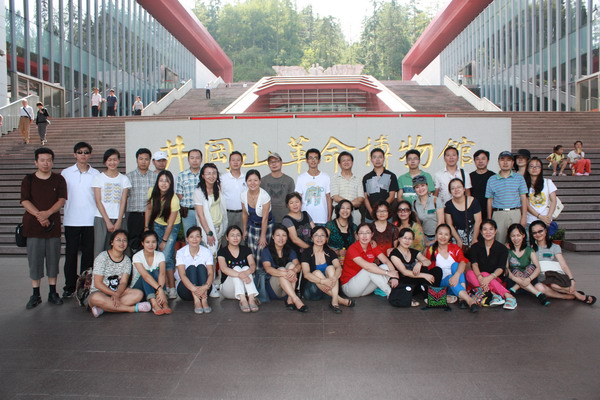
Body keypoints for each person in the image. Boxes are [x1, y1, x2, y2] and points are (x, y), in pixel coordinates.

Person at [21, 147, 67, 309]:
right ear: (36, 162)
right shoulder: (28, 180)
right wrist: (39, 216)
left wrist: (47, 213)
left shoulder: (59, 179)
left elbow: (61, 200)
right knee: (35, 260)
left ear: (52, 162)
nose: (45, 163)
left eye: (48, 160)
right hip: (33, 227)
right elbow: (25, 200)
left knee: (53, 259)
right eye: (42, 160)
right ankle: (35, 294)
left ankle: (53, 292)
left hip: (52, 227)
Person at [61, 142, 100, 298]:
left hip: (90, 220)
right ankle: (69, 286)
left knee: (88, 255)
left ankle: (84, 286)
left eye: (86, 152)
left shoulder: (96, 174)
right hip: (71, 220)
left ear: (90, 154)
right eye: (80, 152)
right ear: (74, 154)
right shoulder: (66, 173)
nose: (83, 155)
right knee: (70, 255)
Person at [530, 220, 596, 305]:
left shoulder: (554, 247)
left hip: (554, 276)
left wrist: (572, 280)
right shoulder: (530, 248)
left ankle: (578, 295)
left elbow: (563, 265)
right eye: (534, 232)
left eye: (540, 231)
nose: (538, 234)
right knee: (538, 288)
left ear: (546, 231)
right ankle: (565, 296)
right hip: (540, 278)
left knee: (554, 285)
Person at [87, 230, 150, 317]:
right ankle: (133, 309)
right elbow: (98, 283)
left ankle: (103, 308)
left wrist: (117, 293)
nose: (122, 243)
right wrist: (114, 294)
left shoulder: (127, 260)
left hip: (118, 293)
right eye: (118, 240)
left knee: (138, 294)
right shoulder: (102, 257)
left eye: (124, 240)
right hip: (100, 292)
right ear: (112, 242)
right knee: (95, 298)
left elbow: (123, 282)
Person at [465, 219, 517, 309]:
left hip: (496, 279)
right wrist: (480, 276)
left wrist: (489, 277)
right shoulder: (475, 247)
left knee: (485, 273)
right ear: (481, 232)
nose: (488, 232)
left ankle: (508, 296)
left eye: (491, 229)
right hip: (480, 279)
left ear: (495, 231)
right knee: (469, 273)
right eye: (485, 229)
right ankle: (493, 294)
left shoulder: (502, 248)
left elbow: (501, 268)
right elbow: (474, 264)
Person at [424, 224, 477, 311]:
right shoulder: (431, 250)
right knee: (450, 277)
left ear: (450, 237)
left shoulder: (455, 248)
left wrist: (456, 275)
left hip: (458, 281)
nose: (443, 237)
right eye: (440, 234)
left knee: (456, 265)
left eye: (446, 234)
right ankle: (469, 300)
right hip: (443, 284)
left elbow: (463, 262)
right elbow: (427, 266)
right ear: (436, 235)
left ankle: (462, 298)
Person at [300, 226, 354, 312]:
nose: (319, 238)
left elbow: (338, 267)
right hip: (312, 292)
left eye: (322, 235)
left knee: (331, 268)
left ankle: (334, 300)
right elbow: (306, 274)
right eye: (316, 235)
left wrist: (334, 278)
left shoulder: (330, 252)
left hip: (328, 291)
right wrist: (323, 281)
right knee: (317, 272)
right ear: (312, 238)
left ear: (326, 238)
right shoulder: (306, 253)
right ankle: (340, 300)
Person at [193, 163, 228, 297]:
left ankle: (213, 283)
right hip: (207, 230)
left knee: (214, 258)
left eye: (214, 173)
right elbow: (201, 214)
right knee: (208, 259)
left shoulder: (218, 187)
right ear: (203, 175)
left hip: (219, 227)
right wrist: (208, 232)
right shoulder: (199, 192)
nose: (211, 176)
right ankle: (210, 286)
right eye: (208, 173)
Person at [145, 170, 180, 300]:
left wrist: (164, 241)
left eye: (167, 181)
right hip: (157, 224)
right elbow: (149, 209)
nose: (164, 184)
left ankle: (171, 288)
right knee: (159, 256)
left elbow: (170, 224)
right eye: (161, 180)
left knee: (166, 256)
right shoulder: (152, 191)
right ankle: (163, 288)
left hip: (172, 226)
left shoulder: (174, 199)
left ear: (171, 184)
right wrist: (146, 227)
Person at [340, 223, 399, 298]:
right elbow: (368, 267)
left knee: (385, 266)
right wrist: (387, 273)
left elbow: (386, 261)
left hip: (364, 289)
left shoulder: (372, 246)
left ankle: (386, 289)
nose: (364, 236)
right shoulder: (352, 249)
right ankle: (391, 293)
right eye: (361, 233)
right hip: (350, 288)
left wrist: (394, 277)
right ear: (357, 236)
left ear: (372, 234)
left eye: (367, 233)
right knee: (370, 268)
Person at [92, 148, 131, 257]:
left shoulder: (124, 179)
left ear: (118, 161)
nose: (112, 162)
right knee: (100, 248)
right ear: (105, 162)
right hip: (101, 218)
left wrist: (119, 221)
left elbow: (123, 201)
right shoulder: (98, 178)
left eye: (115, 159)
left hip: (119, 218)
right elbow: (98, 201)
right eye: (109, 160)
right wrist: (107, 221)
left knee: (120, 247)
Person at [389, 228, 441, 306]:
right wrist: (424, 275)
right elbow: (404, 272)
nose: (407, 241)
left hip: (417, 282)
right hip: (406, 284)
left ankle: (430, 296)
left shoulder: (413, 251)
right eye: (405, 238)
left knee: (437, 270)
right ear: (399, 239)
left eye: (410, 239)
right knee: (423, 271)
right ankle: (430, 296)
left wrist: (420, 263)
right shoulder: (394, 254)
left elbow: (428, 262)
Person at [260, 224, 307, 311]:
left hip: (287, 291)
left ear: (287, 237)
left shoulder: (290, 251)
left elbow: (298, 265)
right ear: (273, 237)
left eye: (284, 235)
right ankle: (296, 299)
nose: (281, 238)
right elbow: (268, 269)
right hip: (273, 289)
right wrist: (285, 273)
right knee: (281, 269)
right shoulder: (266, 251)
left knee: (292, 265)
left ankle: (290, 299)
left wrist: (294, 270)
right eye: (278, 235)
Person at [485, 151, 528, 242]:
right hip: (498, 214)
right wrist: (489, 219)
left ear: (512, 163)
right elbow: (490, 200)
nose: (505, 162)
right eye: (502, 160)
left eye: (508, 160)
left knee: (516, 241)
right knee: (499, 241)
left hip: (515, 213)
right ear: (498, 162)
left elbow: (523, 198)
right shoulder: (492, 179)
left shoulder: (519, 178)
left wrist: (524, 216)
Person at [505, 223, 550, 306]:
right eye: (513, 236)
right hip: (514, 280)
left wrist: (529, 279)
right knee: (514, 269)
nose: (516, 238)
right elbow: (506, 269)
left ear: (523, 236)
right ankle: (539, 294)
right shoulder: (507, 251)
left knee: (532, 266)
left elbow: (538, 269)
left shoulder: (529, 250)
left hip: (528, 281)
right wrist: (516, 279)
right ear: (509, 237)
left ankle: (514, 289)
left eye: (518, 235)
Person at [217, 225, 260, 312]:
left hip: (244, 289)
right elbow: (224, 269)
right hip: (228, 290)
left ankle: (251, 299)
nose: (235, 238)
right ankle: (243, 300)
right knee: (236, 268)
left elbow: (252, 265)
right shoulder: (222, 251)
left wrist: (245, 273)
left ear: (241, 237)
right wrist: (241, 275)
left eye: (238, 235)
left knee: (246, 267)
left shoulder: (246, 249)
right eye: (232, 235)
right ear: (227, 238)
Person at [175, 227, 214, 314]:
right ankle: (197, 301)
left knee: (201, 267)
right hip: (186, 290)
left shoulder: (206, 252)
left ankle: (204, 300)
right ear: (187, 239)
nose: (194, 239)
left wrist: (205, 287)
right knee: (191, 268)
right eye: (191, 237)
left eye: (197, 236)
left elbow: (211, 273)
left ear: (201, 238)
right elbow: (182, 275)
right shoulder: (180, 252)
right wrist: (195, 290)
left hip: (204, 290)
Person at [130, 231, 171, 315]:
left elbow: (162, 274)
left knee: (156, 272)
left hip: (155, 288)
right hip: (139, 288)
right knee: (147, 273)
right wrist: (160, 289)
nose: (151, 245)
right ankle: (154, 303)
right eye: (147, 242)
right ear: (142, 243)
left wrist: (159, 292)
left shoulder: (160, 255)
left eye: (153, 242)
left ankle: (164, 302)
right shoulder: (137, 256)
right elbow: (145, 276)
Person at [126, 148, 157, 254]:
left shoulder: (155, 177)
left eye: (146, 159)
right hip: (134, 216)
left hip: (151, 216)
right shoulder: (128, 177)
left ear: (150, 161)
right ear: (136, 160)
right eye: (141, 159)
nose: (143, 162)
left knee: (150, 243)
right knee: (134, 243)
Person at [241, 170, 273, 264]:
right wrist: (244, 230)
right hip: (252, 225)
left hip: (265, 226)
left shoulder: (265, 196)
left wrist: (263, 236)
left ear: (260, 181)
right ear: (246, 182)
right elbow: (244, 214)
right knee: (251, 251)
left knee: (262, 252)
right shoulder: (243, 195)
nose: (253, 183)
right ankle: (253, 271)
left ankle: (262, 272)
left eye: (255, 180)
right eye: (250, 180)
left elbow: (265, 218)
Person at [295, 148, 331, 225]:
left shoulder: (325, 177)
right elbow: (298, 198)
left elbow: (328, 198)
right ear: (307, 160)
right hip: (306, 219)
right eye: (310, 158)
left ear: (319, 161)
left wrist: (329, 216)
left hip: (322, 218)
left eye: (315, 158)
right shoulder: (301, 178)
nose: (313, 160)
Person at [363, 148, 399, 222]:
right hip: (370, 216)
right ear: (371, 159)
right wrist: (372, 212)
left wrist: (381, 210)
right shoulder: (366, 177)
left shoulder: (391, 175)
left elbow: (392, 196)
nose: (377, 159)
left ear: (384, 159)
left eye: (380, 157)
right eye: (374, 157)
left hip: (386, 215)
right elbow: (365, 197)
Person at [444, 178, 481, 249]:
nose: (456, 190)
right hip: (456, 239)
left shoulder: (474, 201)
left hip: (474, 237)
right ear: (450, 191)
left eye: (459, 187)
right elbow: (449, 224)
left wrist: (474, 239)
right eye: (453, 188)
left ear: (464, 189)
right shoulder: (448, 205)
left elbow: (478, 221)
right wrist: (458, 240)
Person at [260, 152, 295, 224]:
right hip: (268, 218)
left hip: (285, 218)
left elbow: (292, 201)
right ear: (268, 164)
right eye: (271, 162)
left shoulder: (289, 180)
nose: (274, 164)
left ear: (281, 163)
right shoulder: (263, 181)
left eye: (276, 161)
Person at [330, 151, 364, 223]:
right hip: (338, 212)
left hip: (355, 213)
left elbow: (360, 198)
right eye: (343, 160)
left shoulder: (358, 179)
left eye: (348, 160)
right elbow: (336, 197)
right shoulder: (335, 178)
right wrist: (350, 205)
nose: (346, 162)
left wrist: (347, 205)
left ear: (352, 162)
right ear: (339, 164)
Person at [176, 149, 203, 236]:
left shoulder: (205, 175)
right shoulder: (182, 175)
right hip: (188, 212)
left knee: (204, 237)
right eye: (192, 158)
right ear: (188, 160)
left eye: (197, 158)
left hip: (203, 211)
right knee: (190, 236)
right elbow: (179, 194)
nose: (195, 160)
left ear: (201, 160)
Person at [524, 157, 557, 227]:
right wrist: (539, 216)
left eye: (537, 166)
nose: (534, 168)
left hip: (546, 221)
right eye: (531, 166)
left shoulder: (548, 182)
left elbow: (553, 201)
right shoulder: (524, 184)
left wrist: (549, 216)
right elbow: (526, 204)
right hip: (530, 220)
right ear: (527, 169)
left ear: (541, 169)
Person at [412, 175, 444, 247]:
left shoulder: (436, 200)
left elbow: (441, 222)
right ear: (414, 189)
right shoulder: (414, 204)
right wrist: (424, 240)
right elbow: (418, 225)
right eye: (417, 187)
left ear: (427, 186)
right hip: (425, 237)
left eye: (422, 185)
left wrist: (436, 239)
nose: (420, 189)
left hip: (440, 236)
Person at [325, 199, 357, 264]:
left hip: (349, 259)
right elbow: (324, 244)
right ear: (338, 210)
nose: (345, 210)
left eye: (348, 208)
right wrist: (337, 252)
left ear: (351, 211)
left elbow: (357, 244)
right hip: (331, 259)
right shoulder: (330, 225)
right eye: (342, 208)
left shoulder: (354, 227)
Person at [221, 151, 246, 230]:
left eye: (238, 160)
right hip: (228, 213)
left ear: (241, 162)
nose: (235, 162)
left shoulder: (246, 178)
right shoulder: (222, 178)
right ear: (229, 162)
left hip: (243, 213)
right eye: (233, 160)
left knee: (242, 235)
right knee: (227, 235)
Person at [469, 149, 495, 220]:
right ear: (474, 161)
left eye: (483, 159)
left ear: (488, 160)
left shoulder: (493, 177)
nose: (480, 161)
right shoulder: (469, 176)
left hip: (491, 211)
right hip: (474, 211)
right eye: (477, 159)